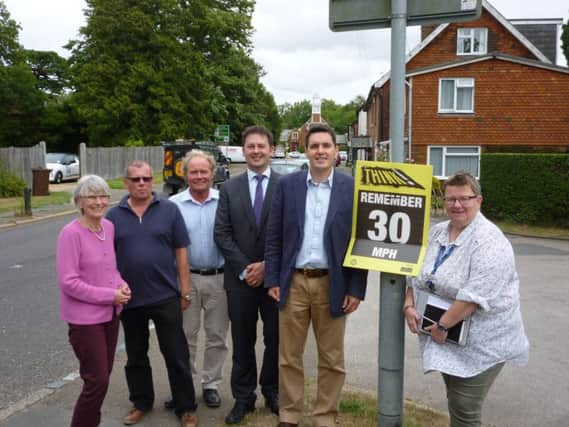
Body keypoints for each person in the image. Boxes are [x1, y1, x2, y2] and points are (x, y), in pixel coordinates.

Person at [404, 171, 529, 427]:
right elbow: (415, 273)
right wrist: (408, 304)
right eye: (450, 199)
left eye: (464, 199)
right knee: (456, 401)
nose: (456, 205)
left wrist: (441, 326)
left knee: (465, 408)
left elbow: (472, 299)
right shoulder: (437, 232)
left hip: (484, 343)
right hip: (448, 335)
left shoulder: (491, 242)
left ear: (478, 201)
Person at [265, 123, 368, 427]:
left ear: (337, 151)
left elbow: (360, 241)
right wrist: (272, 278)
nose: (320, 151)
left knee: (332, 359)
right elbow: (274, 236)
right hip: (293, 282)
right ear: (306, 151)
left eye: (326, 145)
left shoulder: (351, 188)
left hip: (332, 283)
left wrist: (356, 288)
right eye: (315, 146)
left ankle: (325, 416)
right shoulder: (288, 186)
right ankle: (290, 414)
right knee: (288, 357)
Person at [106, 161, 198, 427]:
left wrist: (185, 288)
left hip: (165, 296)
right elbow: (107, 257)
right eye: (135, 179)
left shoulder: (169, 210)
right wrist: (112, 288)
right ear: (126, 183)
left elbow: (181, 250)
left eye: (146, 178)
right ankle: (141, 402)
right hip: (130, 298)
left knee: (176, 354)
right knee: (136, 356)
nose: (142, 183)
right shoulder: (114, 216)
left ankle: (186, 407)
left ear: (152, 180)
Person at [214, 125, 280, 424]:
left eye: (261, 146)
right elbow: (222, 234)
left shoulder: (287, 185)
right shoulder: (228, 189)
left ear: (272, 150)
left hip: (275, 280)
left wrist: (267, 265)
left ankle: (272, 391)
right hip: (239, 282)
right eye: (251, 146)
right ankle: (244, 398)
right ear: (244, 151)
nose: (256, 151)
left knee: (275, 339)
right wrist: (246, 268)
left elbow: (292, 232)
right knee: (242, 342)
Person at [56, 175, 132, 427]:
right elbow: (69, 282)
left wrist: (120, 283)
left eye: (103, 196)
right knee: (96, 380)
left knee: (101, 378)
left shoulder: (107, 227)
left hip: (110, 316)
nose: (99, 202)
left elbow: (110, 270)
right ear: (79, 201)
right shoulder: (70, 234)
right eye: (92, 197)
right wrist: (110, 296)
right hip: (84, 321)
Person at [169, 150, 229, 408]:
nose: (199, 176)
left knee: (217, 336)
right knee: (185, 336)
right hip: (187, 279)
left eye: (204, 171)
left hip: (220, 278)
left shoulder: (224, 200)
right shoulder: (173, 205)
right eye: (193, 172)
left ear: (212, 173)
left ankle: (211, 384)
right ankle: (185, 387)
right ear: (184, 175)